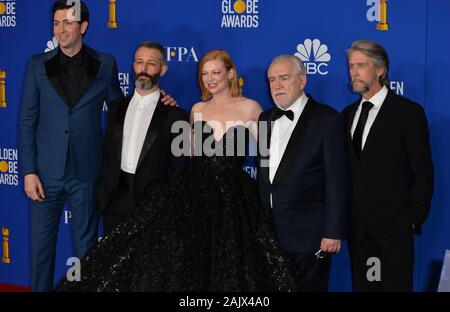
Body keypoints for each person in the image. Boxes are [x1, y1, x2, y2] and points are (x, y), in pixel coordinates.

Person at [55, 49, 301, 291]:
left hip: (234, 199)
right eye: (205, 73)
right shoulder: (196, 110)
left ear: (230, 74)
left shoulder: (251, 108)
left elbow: (269, 156)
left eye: (216, 72)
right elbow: (184, 153)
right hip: (195, 195)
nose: (210, 78)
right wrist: (166, 106)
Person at [19, 0, 174, 292]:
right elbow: (27, 120)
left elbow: (122, 109)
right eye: (56, 23)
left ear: (83, 27)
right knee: (41, 249)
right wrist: (28, 171)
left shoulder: (105, 64)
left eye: (67, 23)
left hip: (87, 172)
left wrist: (161, 103)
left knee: (86, 251)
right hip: (45, 173)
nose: (60, 30)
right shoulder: (37, 65)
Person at [343, 40, 434, 292]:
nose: (354, 72)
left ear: (380, 70)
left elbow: (422, 171)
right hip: (359, 229)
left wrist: (412, 219)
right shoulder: (348, 115)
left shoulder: (407, 113)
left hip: (394, 229)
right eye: (351, 66)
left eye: (361, 65)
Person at [257, 55, 348, 292]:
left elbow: (337, 181)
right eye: (272, 80)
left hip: (310, 236)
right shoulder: (265, 119)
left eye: (284, 78)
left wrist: (332, 232)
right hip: (270, 234)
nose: (276, 86)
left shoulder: (327, 120)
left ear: (302, 80)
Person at [97, 41, 188, 235]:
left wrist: (165, 204)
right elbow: (107, 153)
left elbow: (180, 169)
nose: (143, 69)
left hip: (153, 206)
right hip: (114, 202)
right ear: (133, 66)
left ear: (163, 70)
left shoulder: (176, 115)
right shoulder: (116, 107)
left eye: (151, 63)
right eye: (139, 62)